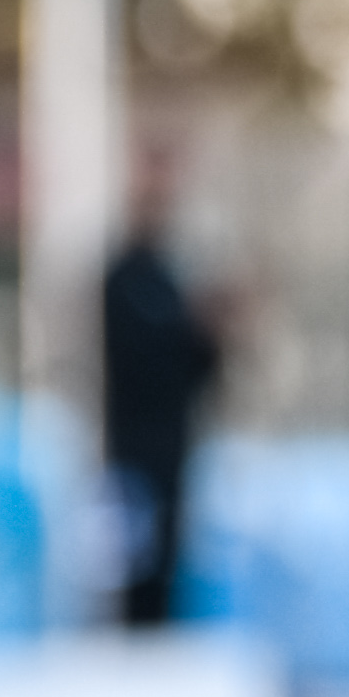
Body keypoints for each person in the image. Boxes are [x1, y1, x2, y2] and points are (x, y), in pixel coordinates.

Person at [100, 143, 225, 629]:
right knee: (135, 560)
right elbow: (135, 358)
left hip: (173, 440)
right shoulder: (123, 278)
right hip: (132, 442)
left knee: (171, 551)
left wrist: (212, 336)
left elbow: (196, 369)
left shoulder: (172, 279)